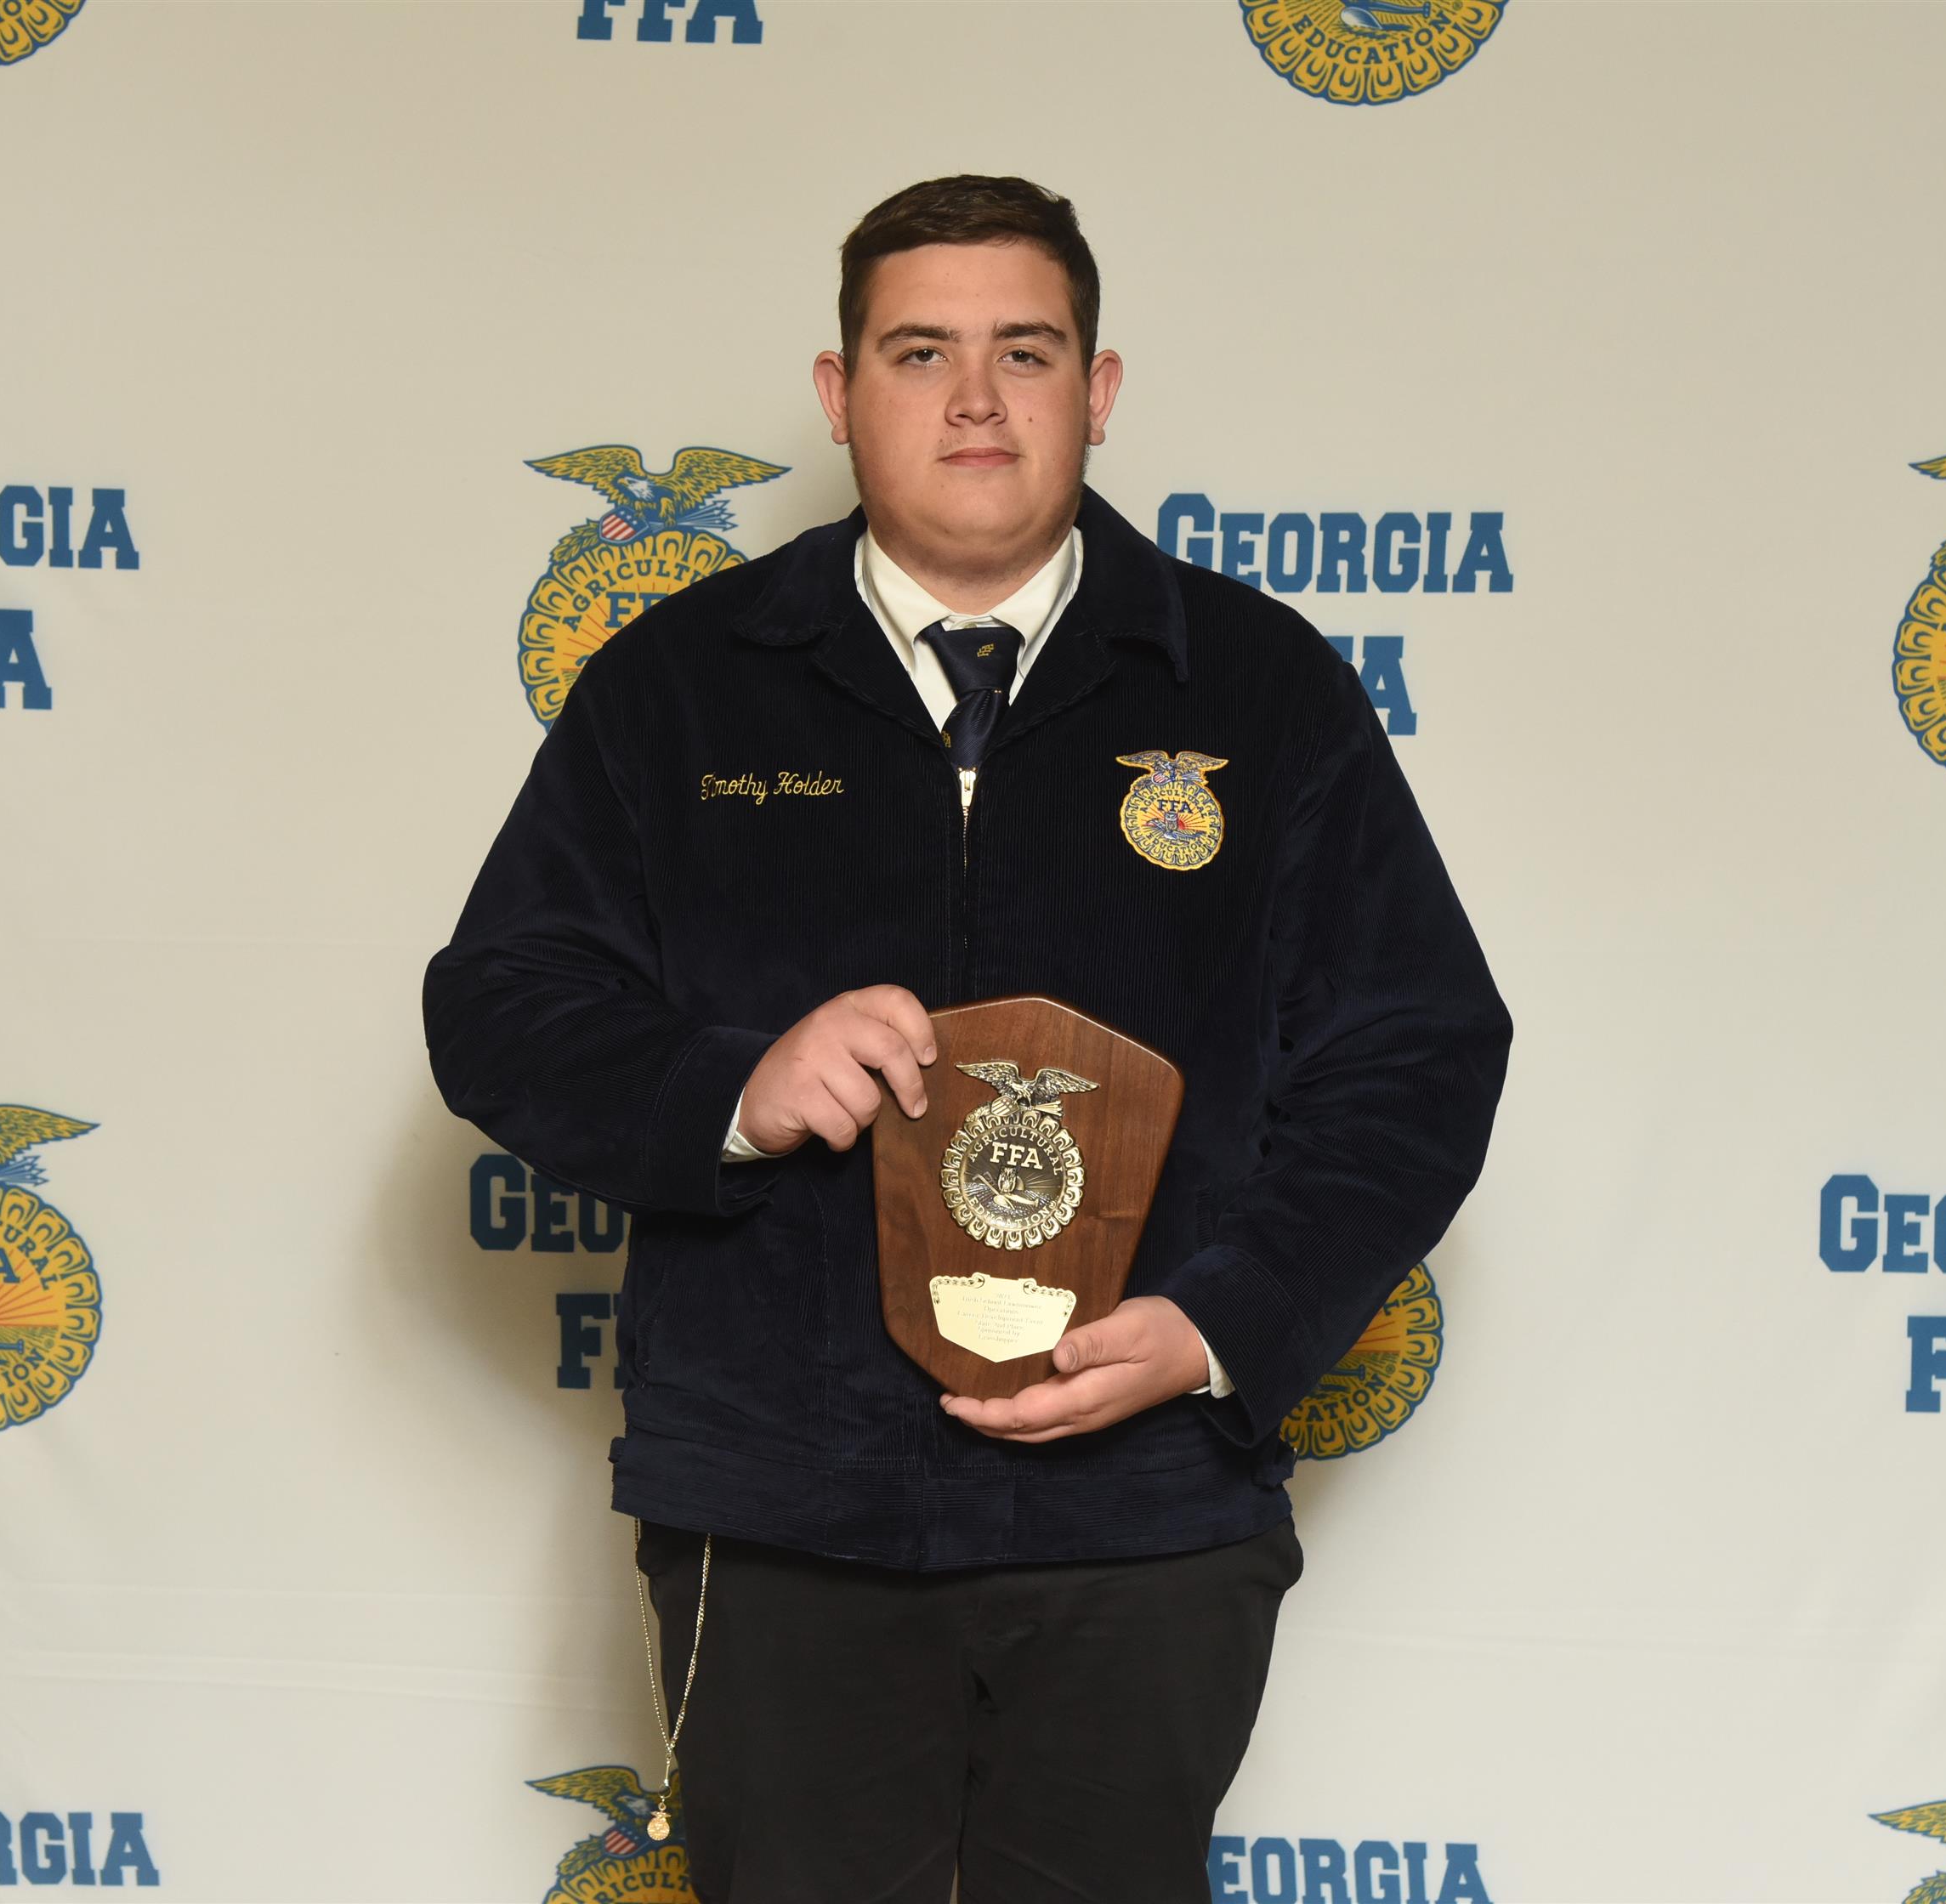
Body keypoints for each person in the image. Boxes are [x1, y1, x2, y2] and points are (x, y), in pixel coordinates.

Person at [424, 174, 1510, 1904]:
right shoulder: (680, 684)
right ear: (838, 391)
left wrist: (1220, 1327)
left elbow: (1416, 1053)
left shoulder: (1257, 687)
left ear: (1100, 389)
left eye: (1028, 350)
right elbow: (500, 1004)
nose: (978, 399)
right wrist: (731, 1088)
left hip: (1143, 1510)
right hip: (782, 1507)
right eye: (919, 352)